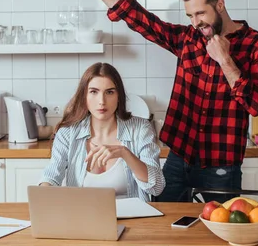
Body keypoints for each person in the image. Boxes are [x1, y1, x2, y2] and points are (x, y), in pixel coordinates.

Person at [71, 0, 258, 203]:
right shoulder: (189, 38)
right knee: (164, 222)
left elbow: (256, 105)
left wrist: (225, 60)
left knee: (219, 231)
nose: (196, 22)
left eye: (201, 13)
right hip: (178, 158)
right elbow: (137, 16)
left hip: (222, 165)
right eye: (190, 15)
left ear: (220, 4)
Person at [39, 62, 165, 202]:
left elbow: (157, 187)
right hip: (83, 219)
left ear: (119, 96)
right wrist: (43, 196)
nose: (102, 101)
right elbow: (51, 176)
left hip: (133, 219)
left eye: (109, 92)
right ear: (84, 96)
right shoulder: (67, 134)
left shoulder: (141, 129)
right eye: (94, 91)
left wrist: (125, 153)